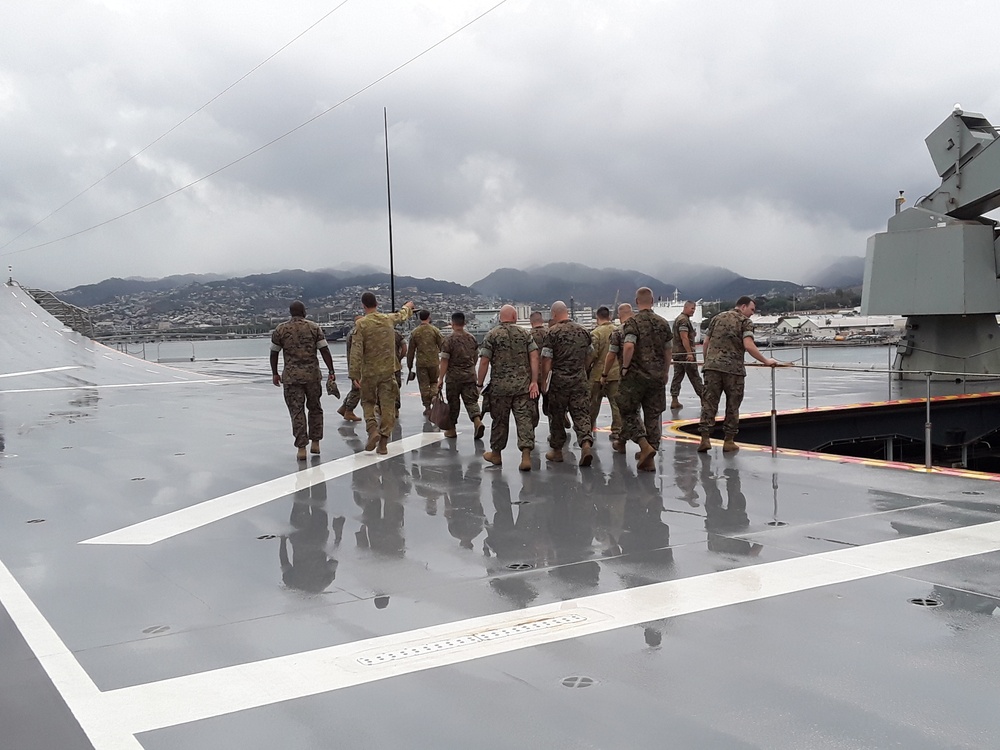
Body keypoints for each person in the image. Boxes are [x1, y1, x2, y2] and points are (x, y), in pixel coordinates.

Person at [698, 295, 781, 453]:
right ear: (743, 307)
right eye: (751, 309)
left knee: (709, 404)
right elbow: (748, 345)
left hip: (712, 368)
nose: (752, 313)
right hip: (733, 370)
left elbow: (706, 342)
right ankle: (728, 441)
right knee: (733, 405)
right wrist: (765, 360)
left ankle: (705, 438)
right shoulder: (745, 322)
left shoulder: (717, 318)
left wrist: (708, 361)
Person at [348, 292, 415, 454]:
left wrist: (354, 375)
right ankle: (384, 442)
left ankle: (372, 430)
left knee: (368, 402)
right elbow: (402, 315)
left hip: (369, 372)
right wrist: (409, 306)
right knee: (388, 406)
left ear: (363, 306)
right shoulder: (388, 319)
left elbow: (356, 351)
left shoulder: (361, 324)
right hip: (388, 370)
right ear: (377, 303)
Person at [270, 300, 336, 461]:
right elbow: (324, 350)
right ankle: (315, 442)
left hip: (292, 378)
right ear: (304, 312)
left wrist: (275, 373)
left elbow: (274, 353)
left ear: (291, 312)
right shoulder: (314, 328)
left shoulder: (281, 329)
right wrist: (331, 370)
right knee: (315, 408)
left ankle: (301, 448)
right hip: (312, 376)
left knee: (296, 411)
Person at [477, 305, 540, 471]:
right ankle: (526, 456)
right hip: (523, 387)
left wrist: (479, 383)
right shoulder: (525, 334)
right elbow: (534, 357)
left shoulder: (492, 335)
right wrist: (534, 381)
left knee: (499, 421)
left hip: (500, 388)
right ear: (515, 317)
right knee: (524, 419)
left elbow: (484, 361)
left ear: (500, 317)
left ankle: (496, 454)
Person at [616, 288, 672, 472]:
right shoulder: (663, 324)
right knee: (653, 415)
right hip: (656, 377)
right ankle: (650, 458)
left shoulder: (633, 323)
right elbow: (668, 351)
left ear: (636, 301)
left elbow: (629, 345)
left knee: (627, 410)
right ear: (653, 301)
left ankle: (643, 445)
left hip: (635, 377)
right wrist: (665, 372)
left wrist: (624, 367)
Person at [540, 300, 595, 466]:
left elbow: (547, 359)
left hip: (559, 382)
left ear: (554, 314)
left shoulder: (552, 333)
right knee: (581, 414)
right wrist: (582, 370)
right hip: (579, 380)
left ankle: (557, 451)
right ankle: (585, 444)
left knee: (556, 415)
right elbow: (591, 354)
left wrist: (545, 381)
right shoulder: (583, 331)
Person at [437, 311, 484, 440]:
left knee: (453, 403)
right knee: (471, 401)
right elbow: (475, 357)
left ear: (452, 323)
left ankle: (451, 430)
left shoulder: (448, 340)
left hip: (454, 377)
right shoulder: (471, 338)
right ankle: (477, 421)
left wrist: (441, 378)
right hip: (469, 375)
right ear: (464, 323)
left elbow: (444, 361)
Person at [589, 305, 621, 442]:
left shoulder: (596, 333)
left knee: (592, 403)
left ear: (597, 317)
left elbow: (592, 354)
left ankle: (588, 430)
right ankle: (617, 431)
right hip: (616, 373)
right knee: (616, 404)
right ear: (609, 316)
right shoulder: (618, 331)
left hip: (597, 374)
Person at [407, 309, 444, 415]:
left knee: (423, 385)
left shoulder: (415, 332)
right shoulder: (435, 330)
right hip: (434, 362)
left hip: (421, 364)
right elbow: (443, 346)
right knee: (434, 382)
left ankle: (427, 406)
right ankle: (433, 397)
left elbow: (410, 351)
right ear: (429, 317)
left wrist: (409, 366)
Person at [669, 300, 704, 410]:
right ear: (686, 307)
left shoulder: (680, 319)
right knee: (694, 376)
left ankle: (674, 399)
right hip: (685, 353)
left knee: (677, 376)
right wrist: (689, 353)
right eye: (692, 308)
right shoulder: (683, 320)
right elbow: (684, 337)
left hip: (677, 353)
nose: (693, 311)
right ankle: (704, 399)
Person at [337, 316, 363, 422]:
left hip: (353, 363)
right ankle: (349, 410)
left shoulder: (351, 333)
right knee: (358, 389)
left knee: (355, 388)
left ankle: (344, 407)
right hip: (358, 364)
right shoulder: (356, 333)